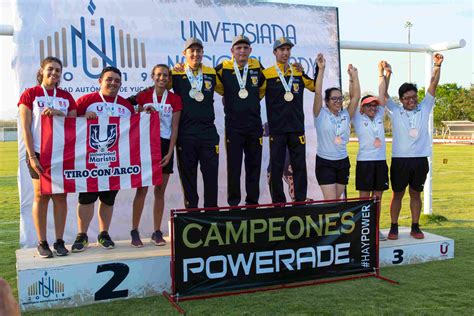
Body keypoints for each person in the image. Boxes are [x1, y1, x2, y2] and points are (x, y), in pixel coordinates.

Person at [18, 56, 77, 258]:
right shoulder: (30, 94)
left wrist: (59, 112)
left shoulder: (66, 97)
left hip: (62, 154)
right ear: (42, 70)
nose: (54, 73)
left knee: (61, 197)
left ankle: (59, 241)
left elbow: (74, 122)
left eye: (58, 70)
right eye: (50, 69)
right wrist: (32, 156)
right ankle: (42, 242)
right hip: (38, 152)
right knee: (41, 196)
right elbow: (25, 127)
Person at [72, 66, 135, 252]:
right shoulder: (86, 100)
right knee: (86, 198)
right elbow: (69, 124)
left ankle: (103, 233)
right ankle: (81, 235)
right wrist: (83, 117)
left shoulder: (125, 106)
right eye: (109, 79)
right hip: (90, 160)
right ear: (100, 81)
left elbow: (135, 131)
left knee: (108, 199)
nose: (113, 83)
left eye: (117, 80)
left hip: (115, 161)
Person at [385, 53, 444, 240]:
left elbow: (433, 86)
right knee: (397, 194)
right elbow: (383, 95)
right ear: (401, 99)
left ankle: (415, 226)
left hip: (419, 159)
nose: (411, 100)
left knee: (416, 194)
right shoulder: (395, 110)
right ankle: (393, 226)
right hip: (400, 160)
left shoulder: (425, 107)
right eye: (406, 98)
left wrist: (437, 66)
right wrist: (386, 74)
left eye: (413, 96)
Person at [130, 64, 182, 247]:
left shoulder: (175, 99)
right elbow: (134, 121)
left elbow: (175, 127)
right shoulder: (143, 96)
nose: (162, 78)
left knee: (160, 191)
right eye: (159, 75)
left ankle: (156, 231)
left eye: (166, 75)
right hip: (146, 146)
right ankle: (134, 231)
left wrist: (170, 152)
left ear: (169, 78)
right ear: (152, 76)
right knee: (142, 190)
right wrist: (143, 112)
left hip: (165, 145)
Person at [260, 37, 315, 203]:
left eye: (288, 49)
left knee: (299, 167)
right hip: (277, 129)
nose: (285, 53)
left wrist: (319, 68)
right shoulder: (267, 74)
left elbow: (313, 86)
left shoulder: (297, 71)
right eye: (282, 50)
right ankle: (278, 203)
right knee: (276, 168)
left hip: (297, 128)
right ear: (275, 52)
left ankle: (299, 201)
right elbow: (257, 95)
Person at [171, 37, 223, 209]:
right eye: (191, 51)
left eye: (198, 50)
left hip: (208, 133)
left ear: (203, 53)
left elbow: (232, 87)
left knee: (211, 177)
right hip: (186, 134)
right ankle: (191, 215)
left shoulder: (211, 72)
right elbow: (158, 87)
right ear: (184, 54)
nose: (195, 54)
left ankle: (211, 214)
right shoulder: (175, 73)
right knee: (188, 178)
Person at [214, 35, 264, 206]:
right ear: (232, 52)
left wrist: (252, 100)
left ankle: (252, 203)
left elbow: (264, 86)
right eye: (238, 48)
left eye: (245, 48)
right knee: (234, 168)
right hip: (234, 127)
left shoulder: (257, 66)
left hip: (254, 126)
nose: (242, 51)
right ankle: (234, 204)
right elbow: (208, 82)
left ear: (250, 50)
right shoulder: (222, 68)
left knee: (254, 167)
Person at [352, 61, 392, 241]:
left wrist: (381, 72)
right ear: (362, 107)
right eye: (369, 105)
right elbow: (354, 95)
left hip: (380, 162)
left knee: (377, 198)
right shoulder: (357, 118)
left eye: (374, 105)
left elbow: (382, 92)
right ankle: (363, 228)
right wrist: (353, 76)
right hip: (365, 162)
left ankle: (375, 228)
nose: (373, 108)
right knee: (364, 199)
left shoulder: (379, 115)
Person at [313, 53, 360, 200]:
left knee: (336, 201)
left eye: (340, 98)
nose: (338, 101)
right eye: (334, 98)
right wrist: (321, 70)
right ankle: (328, 224)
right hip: (325, 163)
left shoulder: (346, 115)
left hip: (342, 163)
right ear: (327, 102)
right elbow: (318, 93)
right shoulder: (320, 114)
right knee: (331, 202)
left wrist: (354, 76)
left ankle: (332, 223)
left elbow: (356, 97)